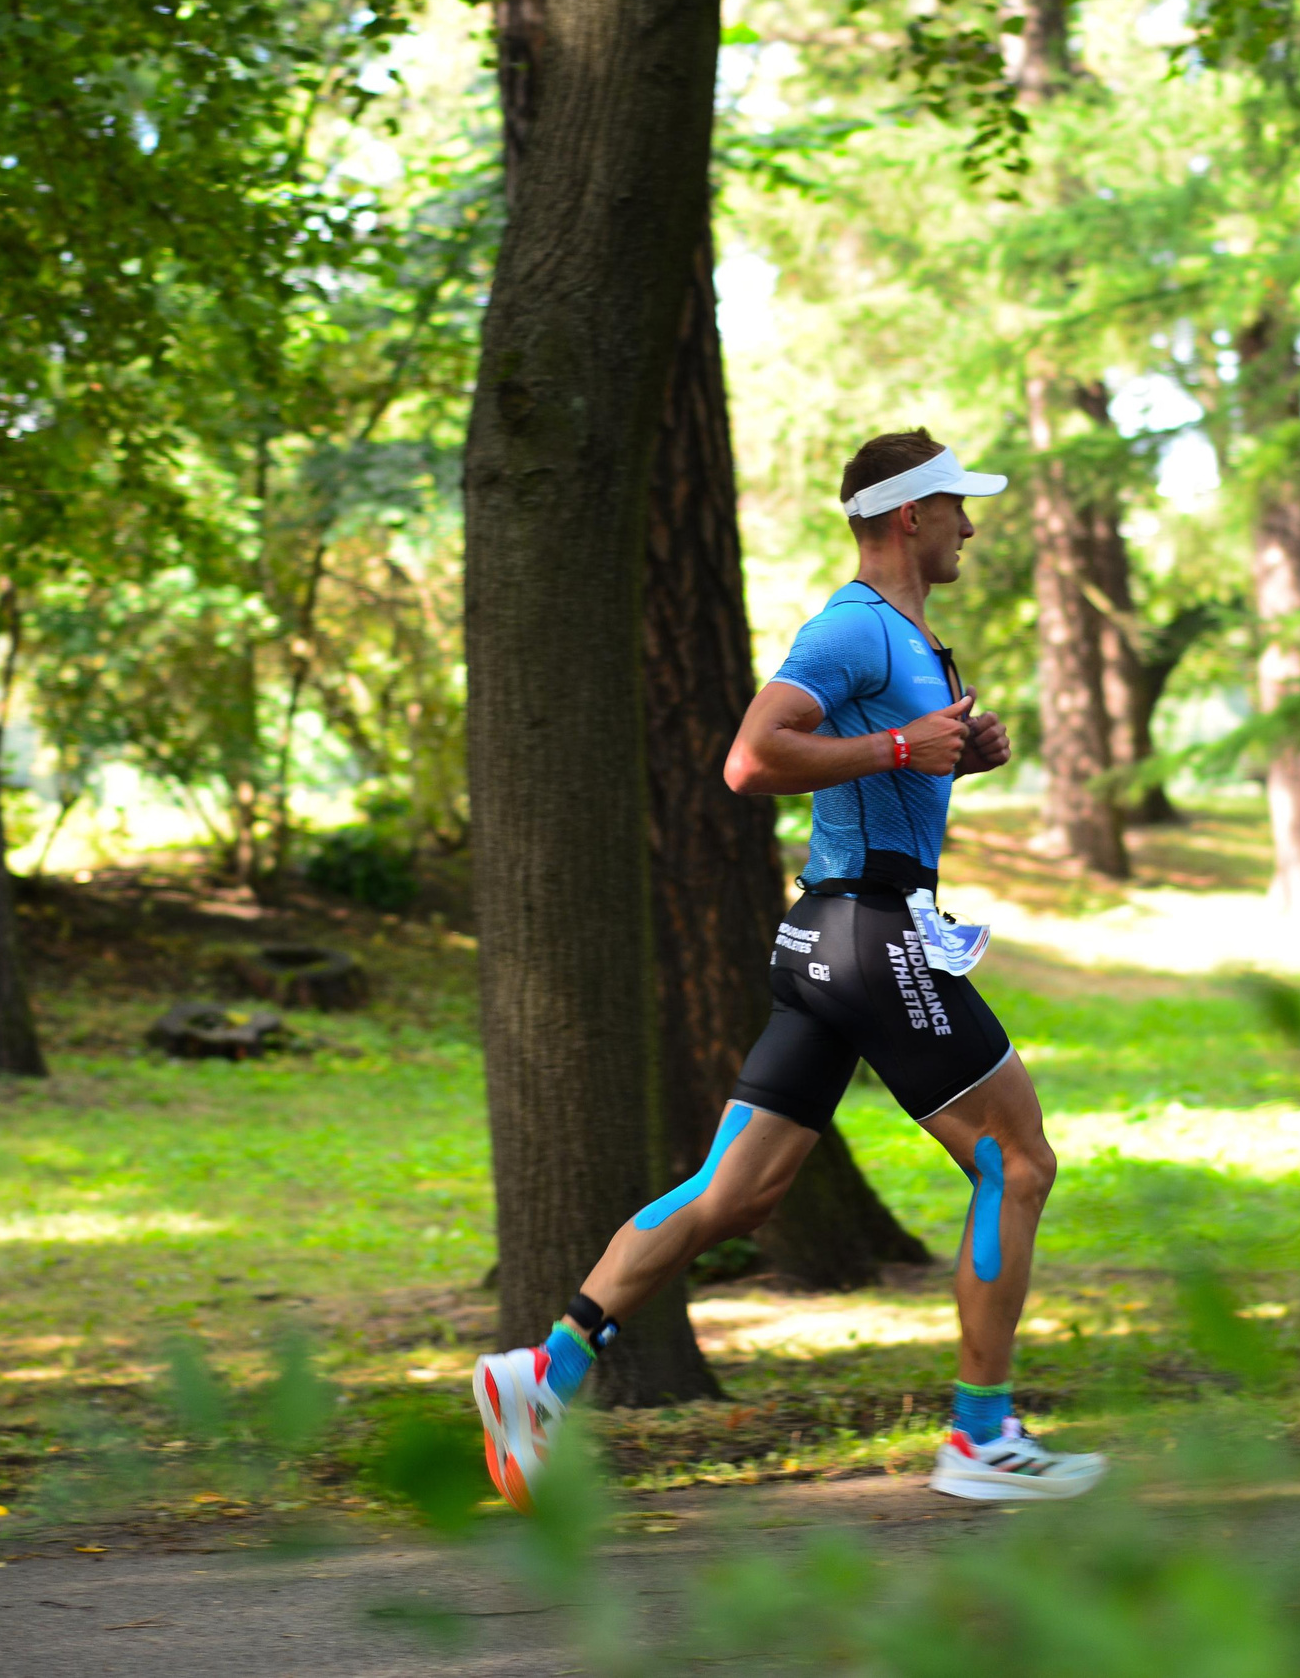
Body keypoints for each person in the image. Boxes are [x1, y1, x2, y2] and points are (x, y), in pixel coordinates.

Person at [472, 428, 1105, 1509]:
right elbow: (751, 756)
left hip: (830, 938)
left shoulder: (908, 638)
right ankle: (981, 1438)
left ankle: (541, 1373)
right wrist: (901, 748)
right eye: (957, 506)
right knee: (1017, 1162)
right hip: (868, 935)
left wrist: (954, 745)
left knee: (741, 1189)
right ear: (910, 514)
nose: (971, 523)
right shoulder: (851, 629)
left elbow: (888, 756)